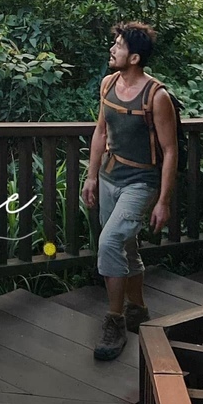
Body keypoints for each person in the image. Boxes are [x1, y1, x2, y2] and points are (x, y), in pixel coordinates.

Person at [81, 21, 178, 361]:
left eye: (119, 46)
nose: (113, 50)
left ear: (134, 57)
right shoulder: (108, 84)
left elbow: (170, 151)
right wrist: (91, 176)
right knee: (125, 244)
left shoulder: (157, 96)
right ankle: (138, 308)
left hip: (141, 183)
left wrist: (163, 201)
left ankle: (115, 320)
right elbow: (100, 131)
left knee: (108, 243)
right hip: (110, 177)